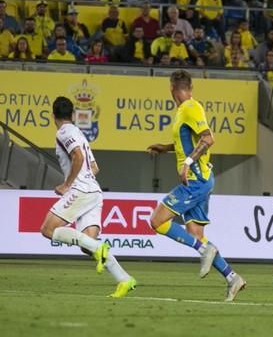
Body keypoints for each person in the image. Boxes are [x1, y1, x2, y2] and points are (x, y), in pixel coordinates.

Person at [146, 70, 246, 302]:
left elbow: (208, 138)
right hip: (200, 178)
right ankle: (233, 278)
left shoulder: (190, 107)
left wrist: (187, 164)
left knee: (156, 221)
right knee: (196, 234)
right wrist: (165, 147)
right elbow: (188, 142)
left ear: (172, 88)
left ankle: (204, 251)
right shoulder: (184, 110)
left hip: (196, 179)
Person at [40, 97, 136, 298]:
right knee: (88, 245)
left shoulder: (64, 131)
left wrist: (67, 185)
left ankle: (100, 248)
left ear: (53, 116)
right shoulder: (79, 133)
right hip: (93, 191)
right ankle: (125, 279)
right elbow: (94, 167)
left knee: (47, 229)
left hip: (81, 190)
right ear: (73, 114)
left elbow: (78, 157)